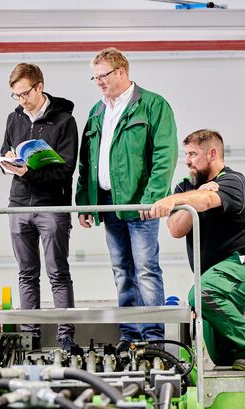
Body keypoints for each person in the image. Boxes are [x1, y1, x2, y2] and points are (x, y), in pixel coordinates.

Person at [76, 48, 178, 347]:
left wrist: (152, 199)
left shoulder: (152, 105)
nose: (98, 82)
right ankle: (130, 335)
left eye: (103, 76)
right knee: (121, 269)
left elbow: (165, 155)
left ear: (122, 72)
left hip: (140, 204)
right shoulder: (97, 111)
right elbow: (87, 161)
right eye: (94, 77)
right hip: (108, 203)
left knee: (146, 269)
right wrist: (86, 203)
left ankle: (153, 339)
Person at [149, 129, 245, 369]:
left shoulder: (232, 181)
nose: (187, 160)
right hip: (216, 278)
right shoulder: (185, 188)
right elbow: (176, 228)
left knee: (201, 293)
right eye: (186, 154)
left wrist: (179, 201)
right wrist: (193, 198)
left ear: (212, 153)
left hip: (238, 268)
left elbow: (210, 201)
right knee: (224, 358)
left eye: (193, 154)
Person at [0, 63, 78, 351]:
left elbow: (66, 169)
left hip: (52, 206)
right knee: (26, 272)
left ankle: (65, 335)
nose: (21, 100)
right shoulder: (14, 118)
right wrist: (7, 159)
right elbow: (5, 149)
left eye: (24, 94)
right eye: (16, 96)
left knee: (58, 271)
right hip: (18, 205)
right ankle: (29, 334)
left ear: (39, 87)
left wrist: (29, 172)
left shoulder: (64, 121)